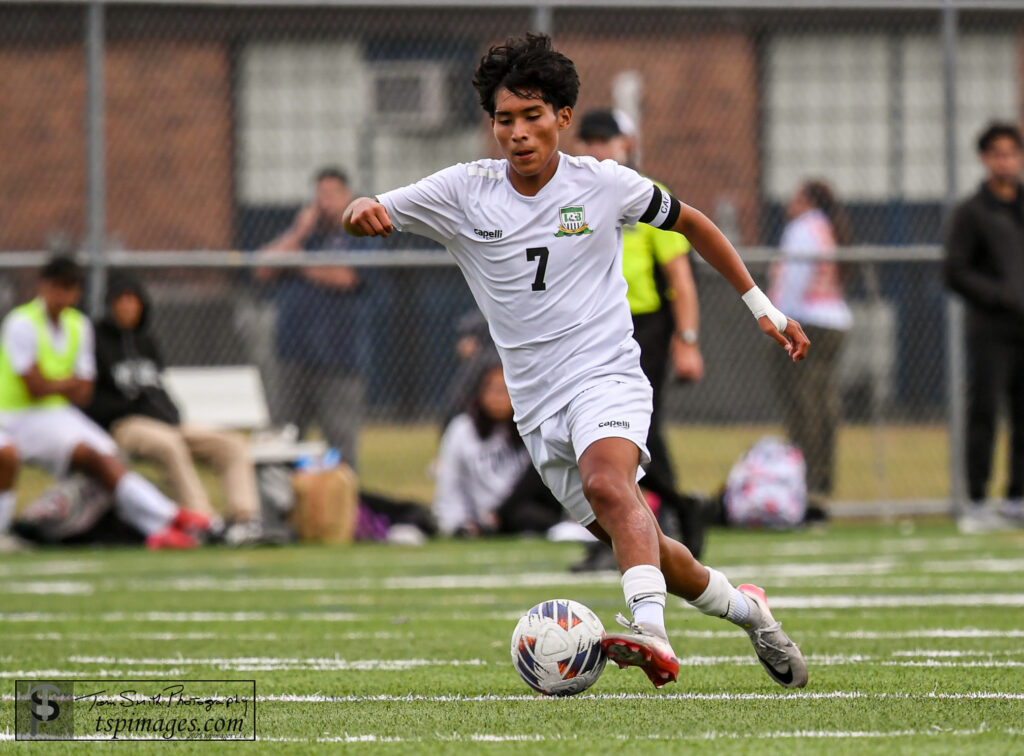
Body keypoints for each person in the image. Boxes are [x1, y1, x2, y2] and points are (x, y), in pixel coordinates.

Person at [343, 33, 810, 689]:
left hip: (607, 375)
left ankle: (652, 634)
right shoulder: (461, 191)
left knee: (609, 485)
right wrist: (361, 212)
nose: (519, 133)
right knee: (649, 543)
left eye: (533, 116)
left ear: (562, 118)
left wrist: (761, 306)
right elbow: (370, 209)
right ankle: (751, 613)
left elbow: (696, 223)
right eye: (505, 120)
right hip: (537, 411)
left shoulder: (604, 184)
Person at [0, 256, 209, 549]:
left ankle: (157, 528)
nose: (64, 296)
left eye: (71, 289)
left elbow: (84, 391)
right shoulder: (22, 322)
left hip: (56, 414)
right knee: (89, 459)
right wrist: (66, 383)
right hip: (17, 416)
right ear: (44, 287)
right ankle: (170, 516)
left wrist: (55, 385)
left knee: (110, 459)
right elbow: (35, 388)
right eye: (59, 287)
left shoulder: (78, 325)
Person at [575, 107, 707, 566]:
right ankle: (672, 510)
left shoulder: (647, 196)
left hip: (642, 327)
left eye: (605, 140)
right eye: (588, 140)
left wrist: (687, 339)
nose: (596, 149)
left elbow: (680, 276)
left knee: (624, 429)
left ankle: (654, 520)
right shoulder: (573, 195)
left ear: (625, 145)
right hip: (588, 327)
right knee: (593, 432)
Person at [86, 272, 261, 535]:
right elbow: (94, 398)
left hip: (166, 422)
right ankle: (204, 522)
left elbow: (159, 389)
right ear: (110, 305)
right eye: (122, 301)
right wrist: (133, 407)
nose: (128, 307)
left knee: (232, 444)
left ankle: (245, 520)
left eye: (134, 301)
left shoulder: (146, 342)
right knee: (170, 445)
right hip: (125, 425)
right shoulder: (94, 341)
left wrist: (171, 414)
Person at [258, 167, 375, 470]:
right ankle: (284, 508)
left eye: (333, 194)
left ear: (348, 196)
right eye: (321, 194)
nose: (326, 202)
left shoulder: (361, 231)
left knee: (340, 444)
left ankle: (345, 510)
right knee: (283, 440)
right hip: (292, 357)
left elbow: (346, 276)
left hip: (340, 359)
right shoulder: (305, 235)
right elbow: (263, 269)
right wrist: (299, 234)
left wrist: (296, 264)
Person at [945, 121, 1024, 533]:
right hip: (990, 329)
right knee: (985, 411)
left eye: (1012, 152)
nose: (1005, 160)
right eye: (998, 153)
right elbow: (955, 272)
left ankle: (1017, 498)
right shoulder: (972, 212)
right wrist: (1002, 296)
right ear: (985, 158)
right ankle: (976, 500)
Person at [768, 179, 853, 521]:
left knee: (804, 405)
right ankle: (819, 484)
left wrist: (780, 321)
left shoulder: (803, 228)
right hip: (833, 319)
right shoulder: (827, 226)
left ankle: (808, 486)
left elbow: (794, 278)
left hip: (806, 322)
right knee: (822, 402)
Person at [434, 361, 562, 536]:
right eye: (493, 390)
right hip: (482, 516)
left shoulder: (530, 426)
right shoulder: (462, 429)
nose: (498, 398)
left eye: (505, 391)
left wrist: (500, 513)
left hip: (523, 511)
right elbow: (452, 481)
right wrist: (455, 522)